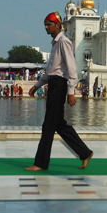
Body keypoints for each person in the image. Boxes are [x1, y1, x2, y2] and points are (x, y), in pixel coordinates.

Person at [26, 11, 93, 171]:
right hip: (54, 83)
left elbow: (71, 68)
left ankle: (40, 163)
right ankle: (84, 152)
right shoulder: (55, 43)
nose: (46, 28)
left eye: (49, 24)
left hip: (60, 85)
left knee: (49, 125)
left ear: (57, 25)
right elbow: (51, 69)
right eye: (45, 25)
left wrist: (71, 91)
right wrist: (38, 85)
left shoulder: (64, 42)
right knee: (58, 124)